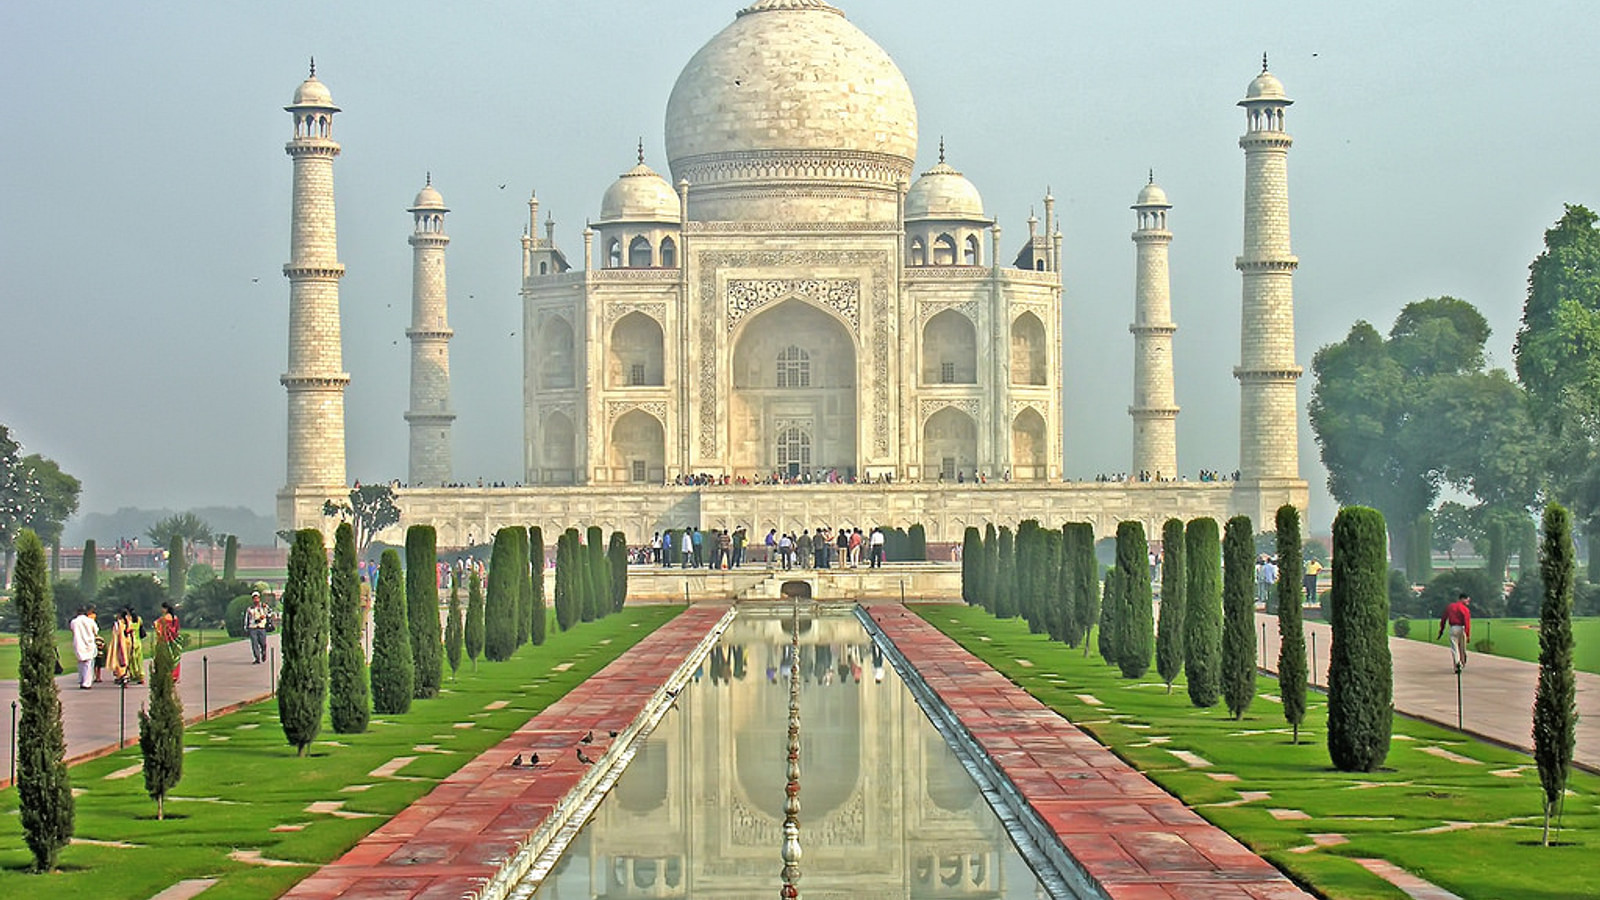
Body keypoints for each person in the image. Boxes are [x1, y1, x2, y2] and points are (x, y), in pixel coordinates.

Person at [1438, 592, 1472, 673]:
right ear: (1463, 599)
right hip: (1462, 628)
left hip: (1453, 628)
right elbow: (1467, 622)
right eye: (1467, 600)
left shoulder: (1450, 607)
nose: (1468, 602)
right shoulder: (1465, 609)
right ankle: (1462, 662)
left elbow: (1443, 619)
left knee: (1454, 648)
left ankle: (1457, 664)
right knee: (1462, 648)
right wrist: (1467, 634)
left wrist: (1441, 631)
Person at [69, 605, 99, 690]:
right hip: (89, 643)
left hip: (79, 643)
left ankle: (82, 680)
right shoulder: (90, 621)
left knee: (81, 663)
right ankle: (87, 682)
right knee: (88, 664)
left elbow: (72, 630)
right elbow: (96, 631)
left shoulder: (74, 622)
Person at [155, 601, 182, 682]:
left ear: (166, 609)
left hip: (166, 640)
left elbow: (157, 625)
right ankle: (174, 675)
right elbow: (177, 629)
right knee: (175, 657)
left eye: (163, 608)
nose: (162, 610)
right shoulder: (175, 618)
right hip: (174, 640)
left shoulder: (163, 619)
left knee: (165, 658)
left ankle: (166, 675)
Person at [245, 591, 270, 664]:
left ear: (259, 598)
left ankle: (263, 652)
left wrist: (264, 616)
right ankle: (257, 658)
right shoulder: (250, 609)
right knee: (254, 643)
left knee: (263, 643)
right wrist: (246, 627)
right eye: (254, 599)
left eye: (257, 598)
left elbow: (270, 613)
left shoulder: (263, 606)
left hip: (261, 627)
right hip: (253, 627)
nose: (256, 600)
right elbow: (247, 618)